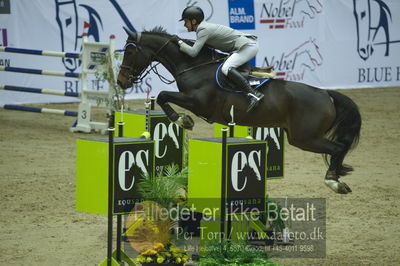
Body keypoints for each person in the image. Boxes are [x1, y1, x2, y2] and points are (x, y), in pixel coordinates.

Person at [174, 6, 264, 112]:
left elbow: (193, 52)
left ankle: (253, 94)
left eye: (186, 21)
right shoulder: (203, 28)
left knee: (226, 68)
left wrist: (178, 42)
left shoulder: (202, 29)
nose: (185, 25)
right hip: (246, 46)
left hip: (247, 47)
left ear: (194, 21)